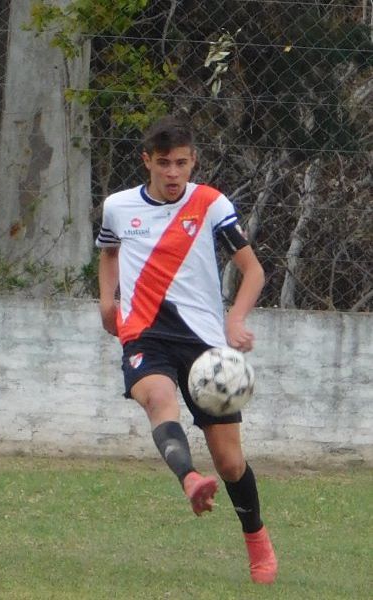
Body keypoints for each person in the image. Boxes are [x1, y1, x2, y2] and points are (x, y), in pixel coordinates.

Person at [96, 116, 278, 584]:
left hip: (204, 347)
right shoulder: (118, 207)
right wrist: (106, 301)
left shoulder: (210, 204)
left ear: (192, 160)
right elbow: (109, 253)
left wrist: (235, 320)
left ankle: (256, 539)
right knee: (158, 399)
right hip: (144, 333)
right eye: (163, 164)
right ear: (147, 162)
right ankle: (189, 480)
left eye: (180, 162)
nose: (172, 172)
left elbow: (253, 271)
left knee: (231, 462)